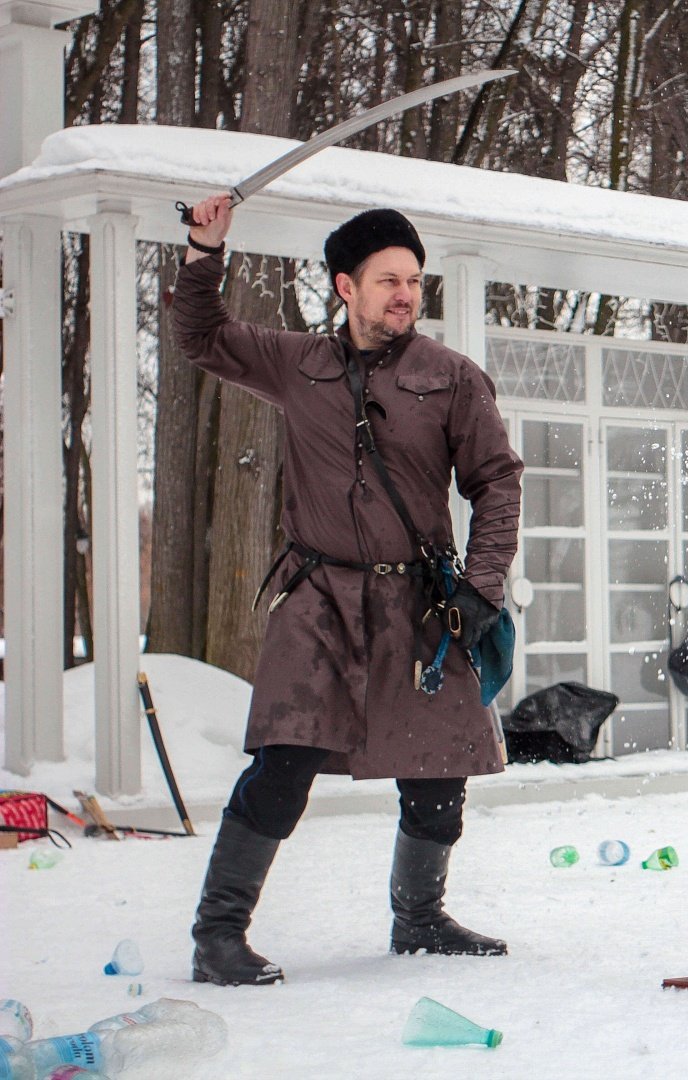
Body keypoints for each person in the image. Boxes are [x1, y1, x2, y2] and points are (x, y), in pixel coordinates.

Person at [174, 195, 523, 985]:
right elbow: (200, 336)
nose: (405, 293)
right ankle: (217, 936)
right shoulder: (299, 365)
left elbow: (497, 482)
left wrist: (482, 583)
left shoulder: (453, 379)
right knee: (283, 762)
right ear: (345, 286)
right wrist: (204, 248)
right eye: (388, 279)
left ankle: (421, 920)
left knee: (439, 771)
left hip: (420, 605)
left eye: (414, 280)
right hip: (318, 600)